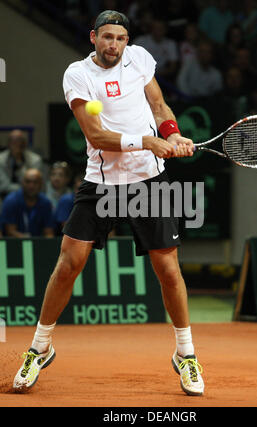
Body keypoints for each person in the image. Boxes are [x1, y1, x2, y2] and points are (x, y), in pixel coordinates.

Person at [13, 10, 204, 397]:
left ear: (126, 40)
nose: (113, 44)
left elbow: (159, 106)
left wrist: (173, 134)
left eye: (120, 37)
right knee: (69, 263)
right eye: (107, 37)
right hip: (101, 183)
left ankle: (186, 355)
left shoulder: (139, 59)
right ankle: (40, 347)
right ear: (93, 38)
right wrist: (148, 141)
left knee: (168, 269)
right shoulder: (77, 74)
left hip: (148, 180)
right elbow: (96, 135)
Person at [1, 168, 54, 238]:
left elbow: (49, 233)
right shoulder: (11, 201)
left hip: (38, 244)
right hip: (15, 244)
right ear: (22, 183)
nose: (31, 186)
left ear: (41, 184)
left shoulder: (46, 203)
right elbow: (10, 232)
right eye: (28, 182)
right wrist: (29, 240)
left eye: (35, 182)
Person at [0, 129, 44, 199]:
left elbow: (35, 185)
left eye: (20, 141)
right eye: (14, 142)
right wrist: (24, 187)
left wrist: (19, 162)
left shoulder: (35, 160)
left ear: (24, 144)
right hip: (4, 197)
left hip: (30, 197)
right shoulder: (1, 159)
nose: (17, 144)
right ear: (8, 143)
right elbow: (3, 186)